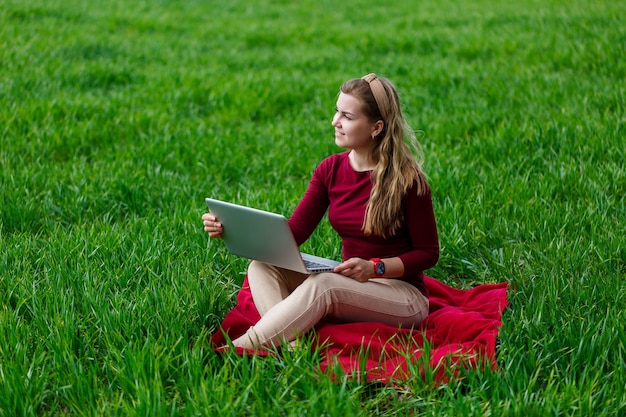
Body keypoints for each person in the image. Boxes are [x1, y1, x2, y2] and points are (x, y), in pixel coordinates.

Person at [202, 73, 439, 350]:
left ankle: (239, 349)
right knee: (262, 266)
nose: (335, 122)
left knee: (325, 284)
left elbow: (428, 253)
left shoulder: (408, 180)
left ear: (376, 127)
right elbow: (293, 235)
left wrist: (374, 267)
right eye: (337, 111)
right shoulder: (331, 169)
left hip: (401, 295)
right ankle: (292, 346)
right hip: (350, 282)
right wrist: (229, 228)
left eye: (347, 117)